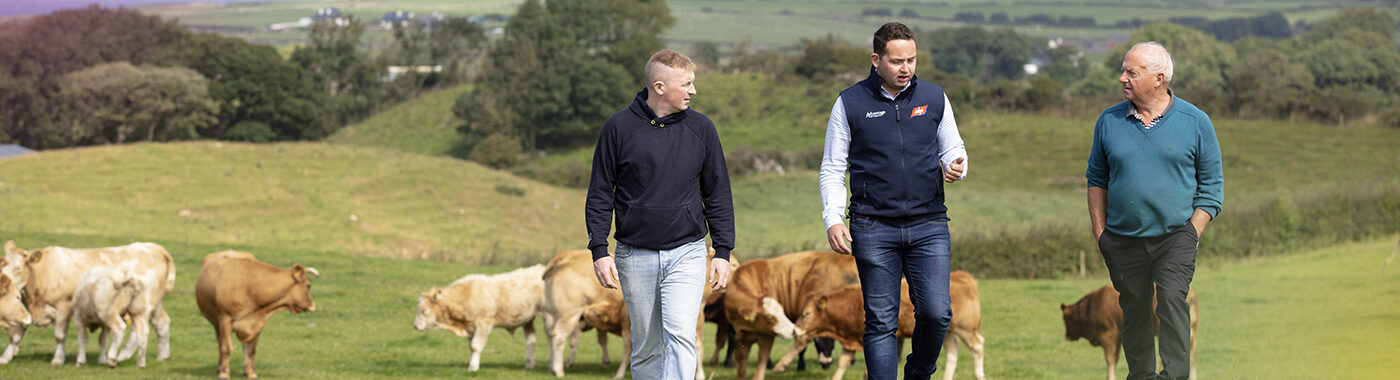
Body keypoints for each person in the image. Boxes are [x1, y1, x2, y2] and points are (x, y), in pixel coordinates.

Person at [818, 22, 968, 379]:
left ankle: (917, 372)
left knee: (937, 313)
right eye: (897, 61)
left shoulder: (934, 97)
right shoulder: (849, 103)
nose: (906, 69)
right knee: (881, 320)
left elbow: (954, 148)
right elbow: (833, 167)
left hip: (929, 224)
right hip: (872, 227)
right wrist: (833, 217)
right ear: (876, 59)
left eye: (912, 60)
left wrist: (957, 166)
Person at [585, 49, 735, 380]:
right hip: (634, 255)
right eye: (687, 84)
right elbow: (599, 192)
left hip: (687, 252)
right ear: (660, 86)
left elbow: (718, 192)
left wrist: (722, 250)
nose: (694, 91)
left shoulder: (702, 129)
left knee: (682, 336)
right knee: (647, 347)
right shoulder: (618, 128)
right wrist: (599, 249)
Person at [1086, 41, 1223, 380]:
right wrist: (1100, 233)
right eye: (1123, 70)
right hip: (1122, 239)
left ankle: (1175, 376)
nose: (1122, 79)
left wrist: (1192, 230)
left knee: (1173, 300)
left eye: (1131, 72)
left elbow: (1212, 187)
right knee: (1133, 309)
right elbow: (1096, 178)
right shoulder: (1108, 121)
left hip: (1176, 235)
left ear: (1158, 78)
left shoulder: (1196, 121)